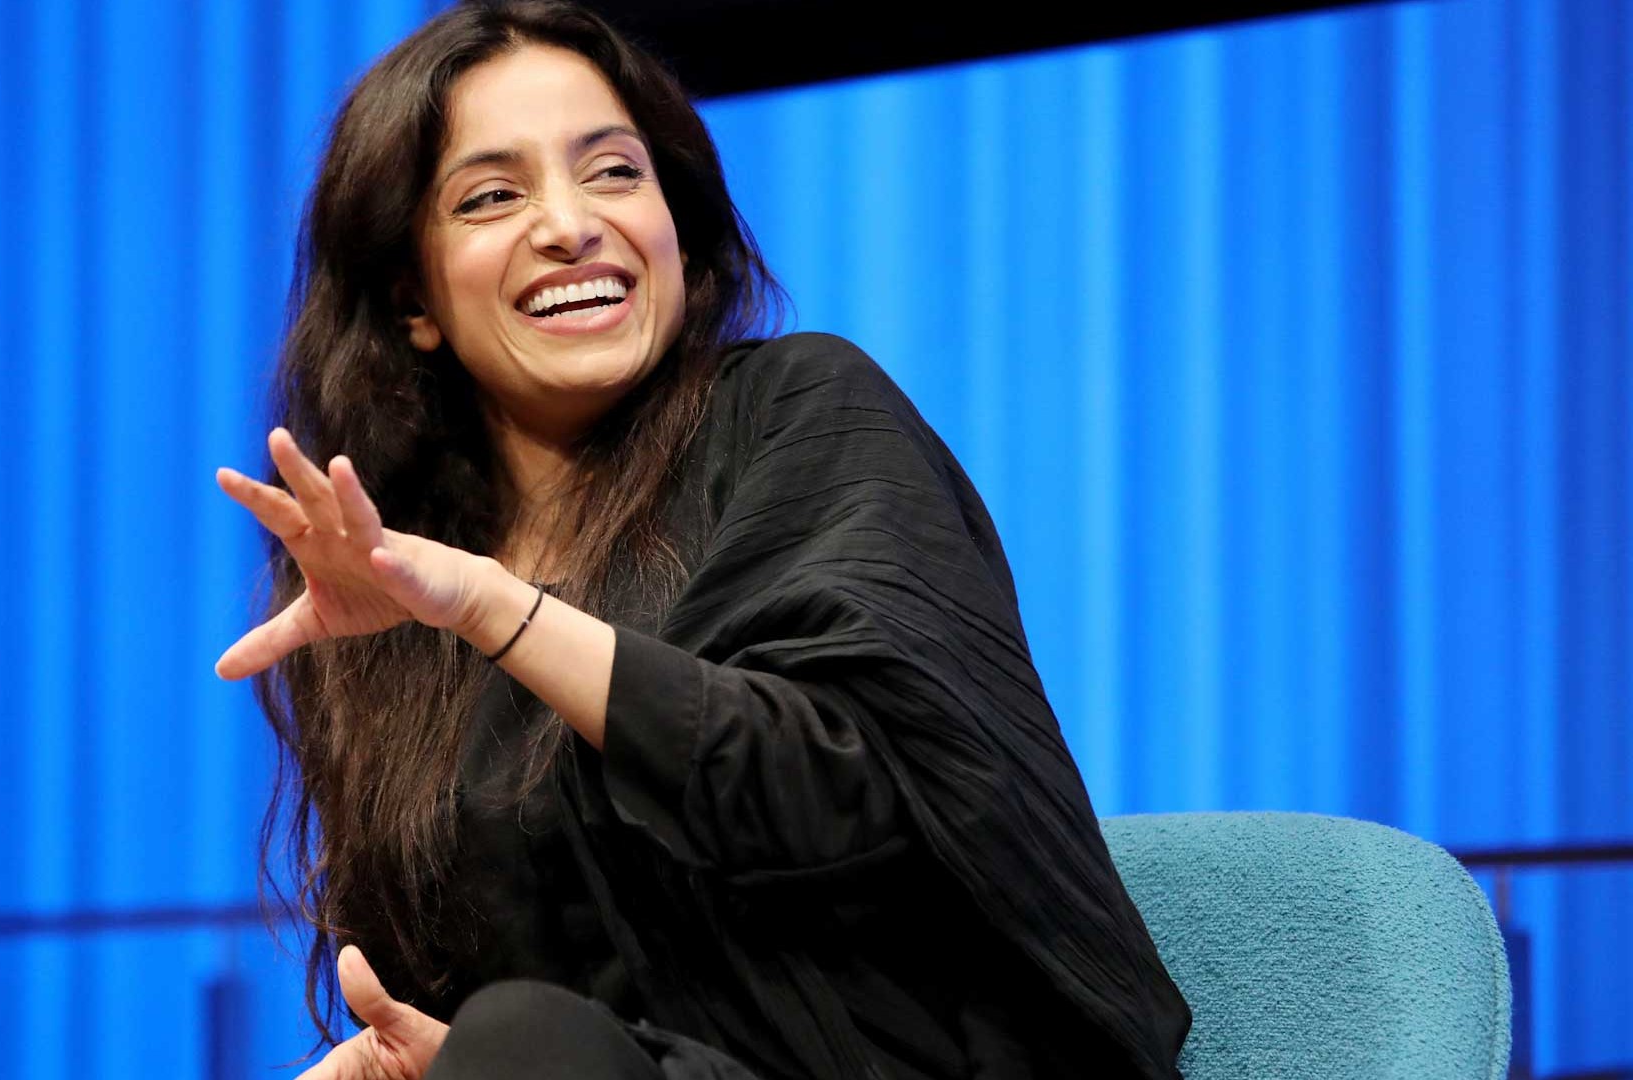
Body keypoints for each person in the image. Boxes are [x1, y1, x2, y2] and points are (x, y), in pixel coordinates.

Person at [213, 2, 1191, 1077]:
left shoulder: (800, 412)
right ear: (414, 298)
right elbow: (511, 997)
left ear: (677, 220)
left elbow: (842, 800)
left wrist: (495, 610)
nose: (569, 223)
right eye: (493, 196)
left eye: (615, 173)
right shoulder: (392, 577)